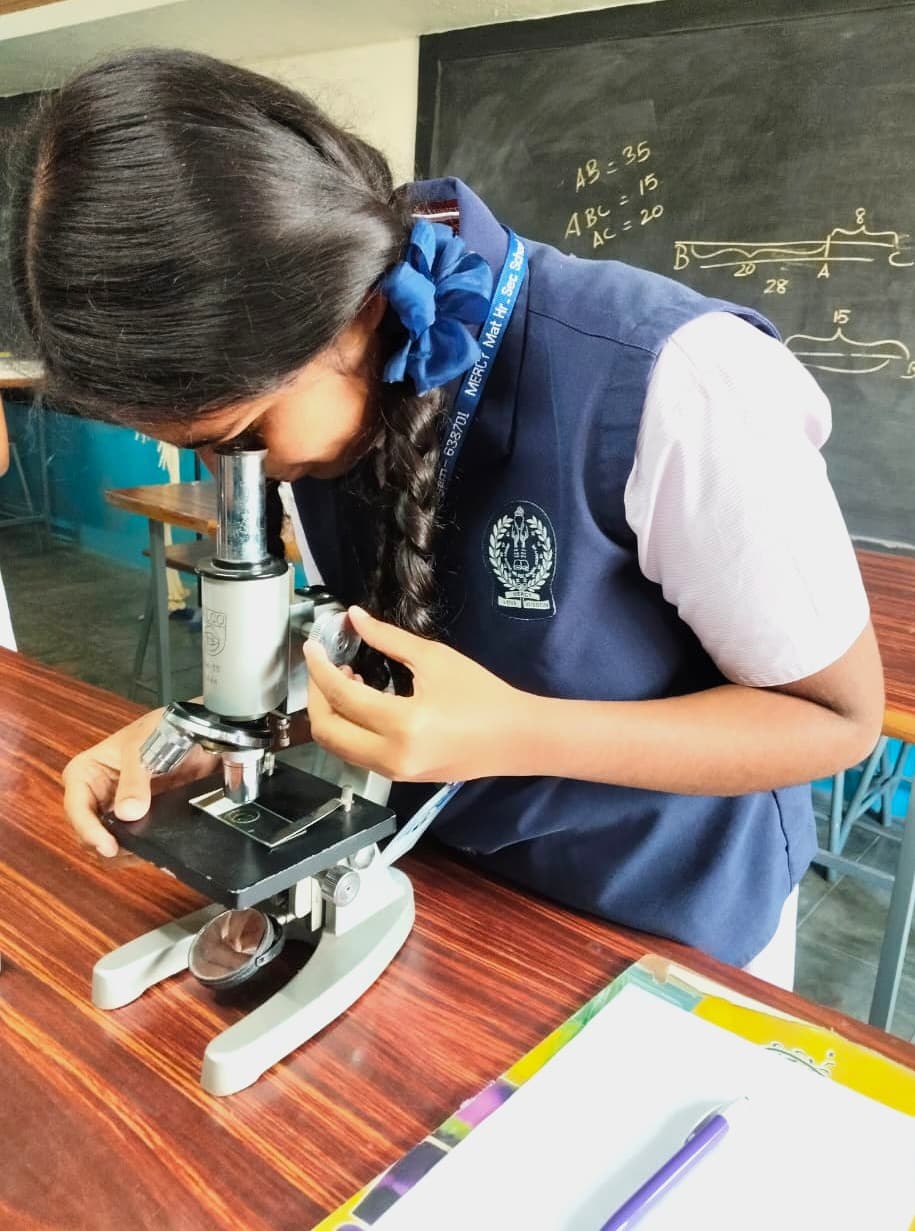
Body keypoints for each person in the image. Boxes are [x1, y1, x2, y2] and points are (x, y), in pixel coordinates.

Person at [10, 50, 883, 987]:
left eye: (245, 434)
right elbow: (393, 651)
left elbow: (832, 719)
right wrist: (208, 728)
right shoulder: (341, 394)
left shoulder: (675, 380)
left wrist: (513, 731)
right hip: (451, 895)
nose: (238, 476)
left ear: (351, 313)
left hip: (662, 927)